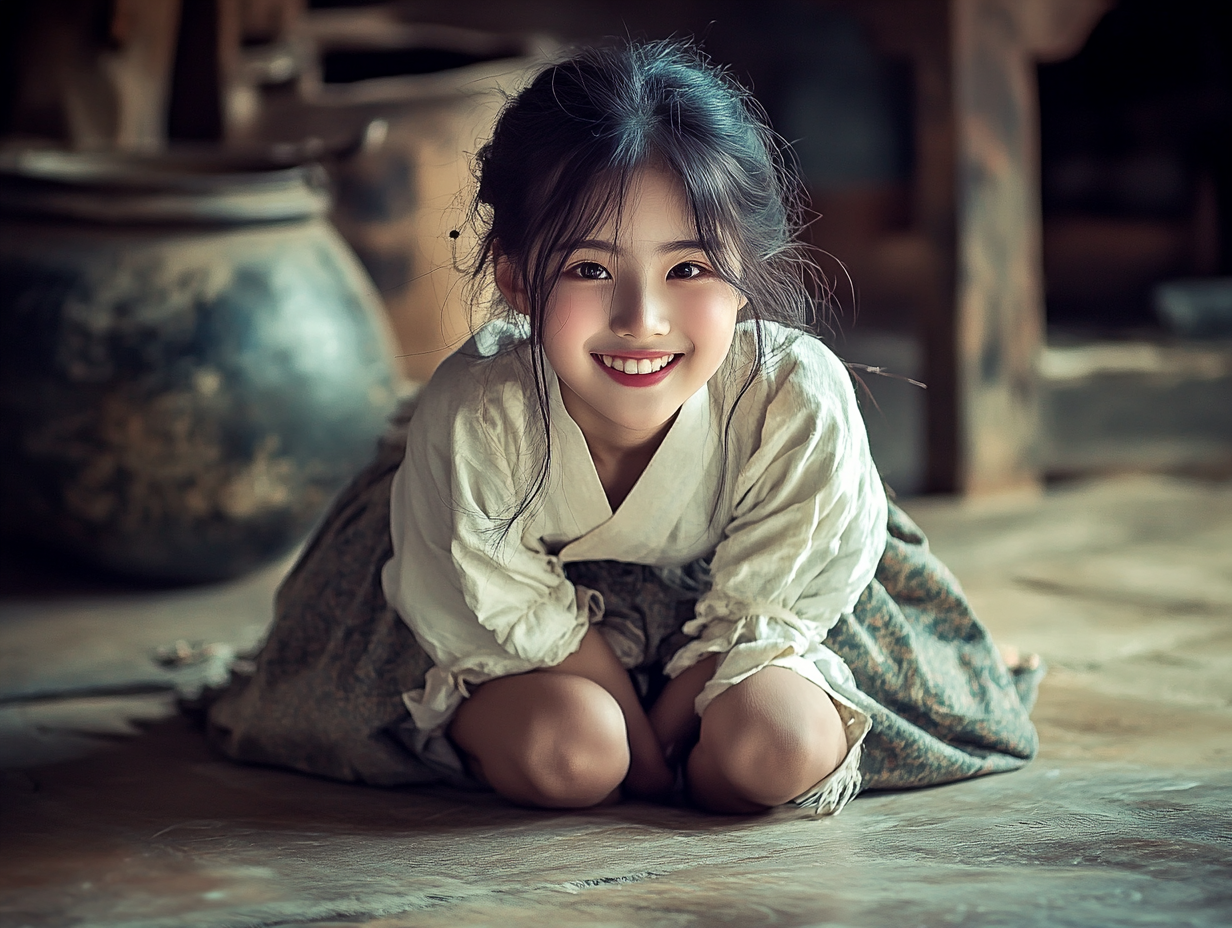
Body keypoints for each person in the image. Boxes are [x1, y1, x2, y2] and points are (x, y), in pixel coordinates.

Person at [207, 40, 1041, 815]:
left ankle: (709, 751)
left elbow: (771, 609)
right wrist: (641, 755)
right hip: (509, 635)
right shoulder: (479, 413)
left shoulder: (791, 398)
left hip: (749, 620)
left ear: (743, 269)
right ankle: (597, 743)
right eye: (590, 269)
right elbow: (490, 598)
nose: (642, 319)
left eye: (688, 268)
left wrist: (688, 714)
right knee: (573, 757)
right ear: (516, 278)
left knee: (777, 749)